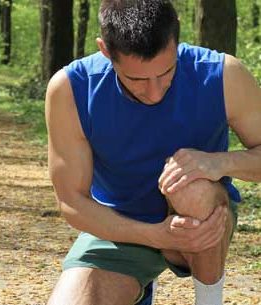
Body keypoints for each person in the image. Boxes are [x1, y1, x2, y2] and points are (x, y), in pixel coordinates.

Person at [45, 0, 261, 304]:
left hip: (201, 221)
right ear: (105, 50)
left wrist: (220, 162)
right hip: (118, 227)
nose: (155, 92)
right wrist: (157, 235)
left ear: (176, 39)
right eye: (137, 79)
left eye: (167, 72)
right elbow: (72, 201)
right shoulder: (70, 89)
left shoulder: (223, 74)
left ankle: (209, 299)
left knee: (193, 187)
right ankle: (139, 283)